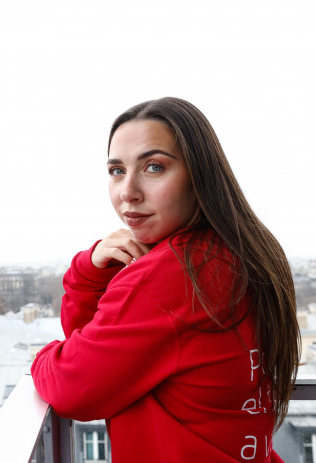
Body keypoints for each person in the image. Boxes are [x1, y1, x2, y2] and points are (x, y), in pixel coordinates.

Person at [30, 97, 300, 462]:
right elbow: (105, 355)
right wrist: (93, 271)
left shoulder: (172, 275)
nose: (128, 192)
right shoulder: (237, 253)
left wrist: (44, 356)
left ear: (199, 176)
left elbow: (73, 385)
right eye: (116, 170)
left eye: (154, 167)